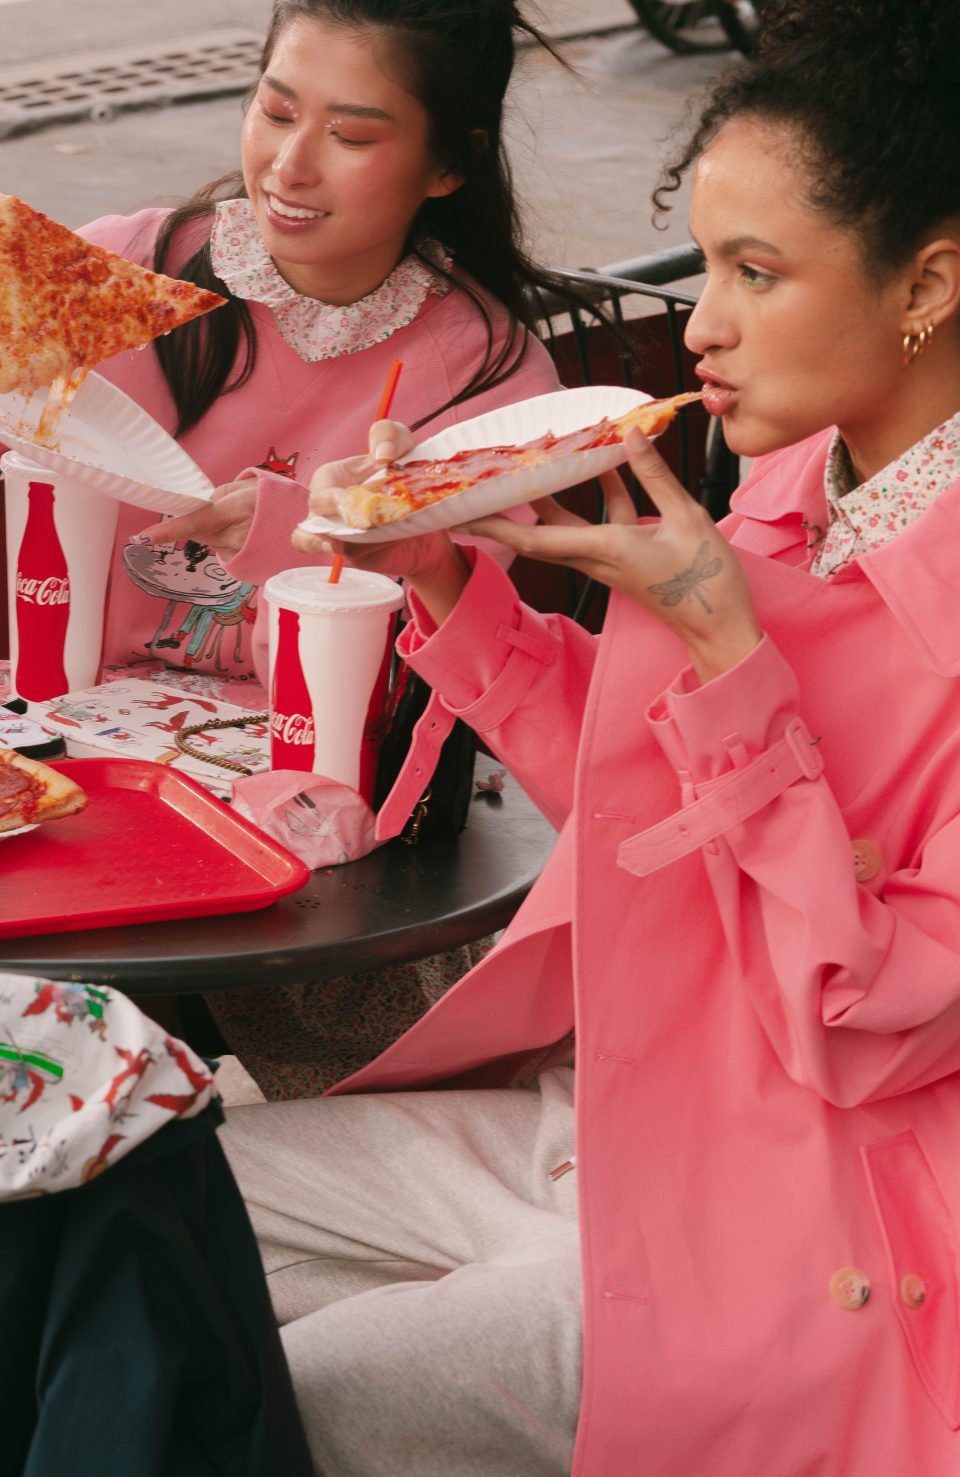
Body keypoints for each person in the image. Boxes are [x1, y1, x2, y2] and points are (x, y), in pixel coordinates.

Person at [221, 1, 960, 1471]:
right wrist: (447, 577)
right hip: (615, 1111)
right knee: (153, 1186)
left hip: (816, 1221)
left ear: (928, 283)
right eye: (705, 265)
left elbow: (859, 1026)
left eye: (756, 273)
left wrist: (726, 652)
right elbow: (642, 815)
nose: (701, 325)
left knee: (286, 1392)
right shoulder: (795, 478)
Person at [0, 0, 573, 685]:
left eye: (352, 136)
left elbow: (421, 664)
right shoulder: (123, 275)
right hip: (74, 723)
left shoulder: (494, 386)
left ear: (449, 165)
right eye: (276, 113)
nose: (289, 166)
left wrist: (294, 532)